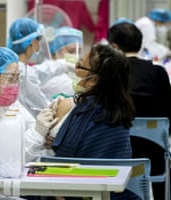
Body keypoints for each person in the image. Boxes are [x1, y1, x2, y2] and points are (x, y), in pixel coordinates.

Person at [51, 44, 136, 199]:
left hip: (82, 192)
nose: (75, 69)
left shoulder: (84, 113)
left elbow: (63, 158)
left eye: (80, 66)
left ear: (93, 80)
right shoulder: (120, 112)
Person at [107, 22, 171, 200]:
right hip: (154, 155)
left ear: (114, 46)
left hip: (118, 155)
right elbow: (169, 115)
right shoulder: (158, 72)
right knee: (167, 165)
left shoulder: (111, 74)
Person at [7, 18, 67, 117]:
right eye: (39, 41)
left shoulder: (16, 66)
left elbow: (40, 72)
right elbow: (43, 107)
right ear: (33, 42)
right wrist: (60, 103)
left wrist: (63, 65)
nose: (39, 45)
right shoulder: (25, 74)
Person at [36, 26, 83, 100]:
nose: (76, 56)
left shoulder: (71, 73)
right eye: (71, 51)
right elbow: (69, 88)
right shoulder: (46, 71)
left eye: (78, 52)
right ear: (56, 51)